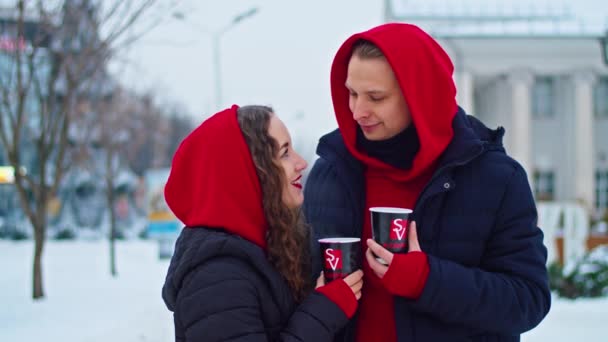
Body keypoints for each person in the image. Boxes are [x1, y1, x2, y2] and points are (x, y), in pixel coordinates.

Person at [303, 23, 551, 341]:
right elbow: (298, 282)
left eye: (376, 97)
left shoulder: (497, 178)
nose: (357, 111)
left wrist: (426, 280)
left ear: (419, 96)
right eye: (352, 93)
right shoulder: (331, 172)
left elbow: (527, 300)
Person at [162, 105, 364, 342]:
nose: (301, 163)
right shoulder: (217, 278)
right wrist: (323, 313)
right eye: (285, 153)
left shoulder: (277, 246)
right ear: (247, 172)